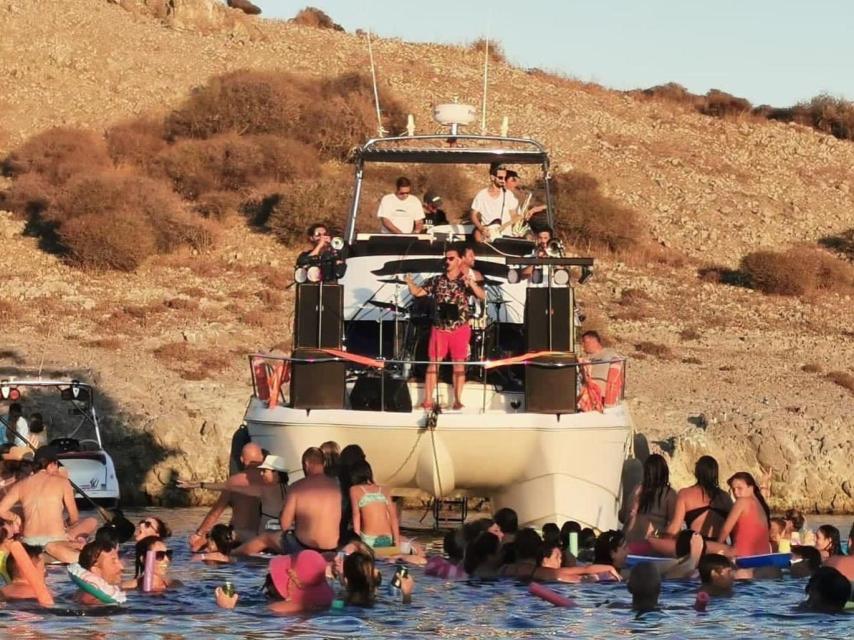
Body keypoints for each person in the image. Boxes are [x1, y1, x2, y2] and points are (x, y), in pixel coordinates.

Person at [405, 244, 486, 410]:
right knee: (433, 363)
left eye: (451, 258)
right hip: (440, 328)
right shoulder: (437, 280)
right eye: (446, 258)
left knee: (458, 364)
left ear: (458, 260)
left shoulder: (464, 280)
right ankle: (427, 400)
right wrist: (409, 282)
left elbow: (482, 295)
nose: (447, 261)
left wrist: (471, 283)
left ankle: (457, 400)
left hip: (460, 328)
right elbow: (419, 293)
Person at [0, 445, 97, 563]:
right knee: (92, 521)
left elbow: (1, 510)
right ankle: (65, 550)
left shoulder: (21, 485)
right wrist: (65, 525)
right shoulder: (63, 482)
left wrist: (15, 518)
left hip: (30, 542)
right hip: (56, 541)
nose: (57, 470)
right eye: (57, 465)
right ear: (52, 464)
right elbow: (74, 518)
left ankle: (41, 556)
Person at [235, 448, 341, 555]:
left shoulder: (297, 487)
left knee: (264, 538)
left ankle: (233, 555)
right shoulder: (338, 486)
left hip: (302, 547)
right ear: (324, 463)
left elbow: (285, 525)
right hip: (332, 548)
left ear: (306, 464)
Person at [189, 442, 264, 546]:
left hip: (238, 537)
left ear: (242, 459)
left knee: (198, 547)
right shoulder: (272, 482)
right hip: (262, 537)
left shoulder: (235, 481)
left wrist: (199, 534)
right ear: (262, 459)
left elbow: (215, 513)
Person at [661, 455, 733, 544]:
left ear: (697, 472)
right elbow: (734, 530)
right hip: (719, 548)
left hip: (697, 547)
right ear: (715, 473)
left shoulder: (685, 494)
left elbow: (675, 527)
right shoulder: (725, 497)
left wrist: (658, 537)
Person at [624, 454, 677, 545]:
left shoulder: (637, 489)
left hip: (630, 540)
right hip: (654, 541)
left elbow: (623, 516)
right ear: (664, 472)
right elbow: (674, 525)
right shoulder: (669, 494)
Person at [716, 472, 771, 557]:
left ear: (751, 487)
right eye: (733, 489)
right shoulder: (761, 504)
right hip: (763, 555)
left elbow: (725, 530)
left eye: (739, 488)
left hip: (743, 555)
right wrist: (765, 482)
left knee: (704, 545)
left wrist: (716, 551)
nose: (736, 493)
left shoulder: (742, 501)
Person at [349, 460, 399, 550]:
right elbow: (393, 517)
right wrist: (397, 542)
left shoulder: (354, 489)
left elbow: (356, 516)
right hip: (387, 537)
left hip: (368, 538)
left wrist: (357, 542)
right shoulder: (384, 489)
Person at [471, 163, 519, 242]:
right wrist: (481, 228)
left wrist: (507, 224)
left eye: (505, 178)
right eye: (500, 178)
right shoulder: (482, 195)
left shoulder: (508, 194)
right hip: (487, 237)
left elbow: (514, 216)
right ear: (492, 177)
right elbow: (473, 215)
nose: (503, 181)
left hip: (505, 236)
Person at [74, 539, 126, 605]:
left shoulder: (87, 590)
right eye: (113, 562)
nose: (121, 567)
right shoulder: (94, 601)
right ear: (95, 570)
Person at [579, 330, 622, 397]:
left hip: (601, 393)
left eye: (584, 342)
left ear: (593, 341)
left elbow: (617, 367)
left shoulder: (609, 353)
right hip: (587, 391)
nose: (583, 345)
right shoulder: (586, 358)